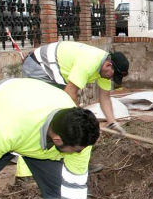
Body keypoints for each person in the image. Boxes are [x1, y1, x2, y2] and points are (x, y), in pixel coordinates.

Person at [17, 42, 129, 176]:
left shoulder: (104, 69)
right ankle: (25, 174)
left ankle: (78, 164)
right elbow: (70, 93)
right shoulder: (89, 61)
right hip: (39, 67)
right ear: (108, 65)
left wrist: (112, 122)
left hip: (56, 75)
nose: (111, 78)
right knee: (44, 118)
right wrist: (84, 121)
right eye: (112, 75)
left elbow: (105, 98)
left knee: (73, 124)